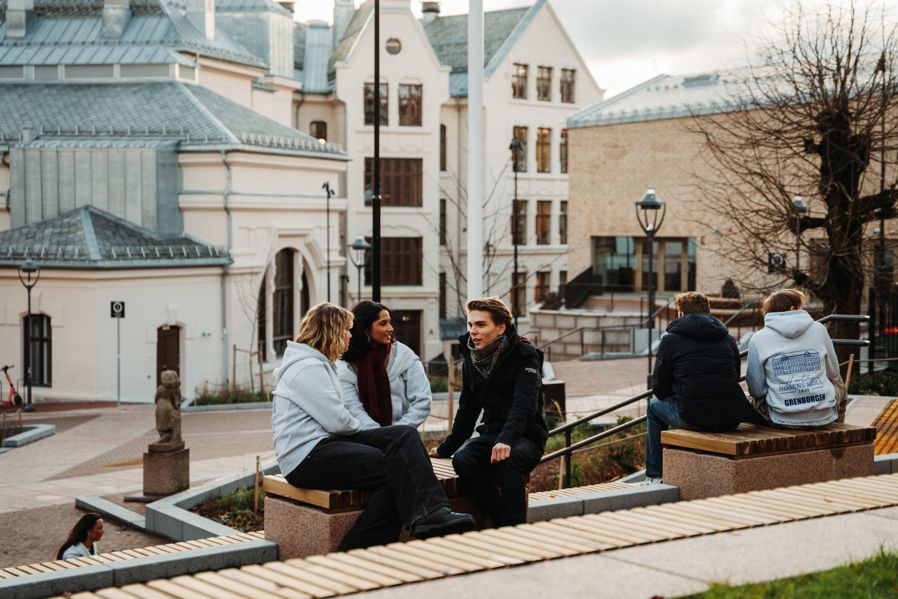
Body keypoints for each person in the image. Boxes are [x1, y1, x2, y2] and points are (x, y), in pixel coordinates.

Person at [271, 302, 474, 550]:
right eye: (346, 330)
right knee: (397, 467)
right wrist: (375, 435)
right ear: (331, 331)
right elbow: (338, 421)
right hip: (307, 458)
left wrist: (382, 436)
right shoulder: (307, 368)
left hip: (325, 447)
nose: (349, 335)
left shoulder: (318, 364)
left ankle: (430, 515)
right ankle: (358, 548)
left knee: (404, 435)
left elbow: (341, 421)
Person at [430, 297, 547, 527]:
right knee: (463, 461)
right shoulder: (471, 359)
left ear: (501, 327)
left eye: (481, 325)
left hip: (525, 435)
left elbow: (524, 404)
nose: (473, 331)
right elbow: (468, 409)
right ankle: (503, 520)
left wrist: (506, 440)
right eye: (471, 325)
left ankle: (514, 527)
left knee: (509, 459)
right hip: (491, 434)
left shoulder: (524, 354)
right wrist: (447, 447)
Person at [643, 292, 756, 485]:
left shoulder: (670, 340)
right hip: (731, 418)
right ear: (709, 313)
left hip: (695, 418)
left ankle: (655, 474)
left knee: (653, 406)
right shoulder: (727, 339)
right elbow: (734, 376)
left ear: (680, 314)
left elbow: (659, 389)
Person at [746, 288, 846, 427]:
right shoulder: (819, 329)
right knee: (838, 380)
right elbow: (833, 372)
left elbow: (757, 390)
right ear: (793, 308)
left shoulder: (758, 338)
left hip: (780, 418)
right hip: (824, 416)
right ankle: (839, 429)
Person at [338, 301, 432, 429]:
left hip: (403, 436)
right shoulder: (347, 364)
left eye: (389, 322)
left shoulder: (404, 355)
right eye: (383, 323)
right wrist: (380, 435)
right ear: (365, 329)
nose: (390, 328)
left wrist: (397, 431)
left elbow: (423, 401)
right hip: (364, 437)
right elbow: (353, 408)